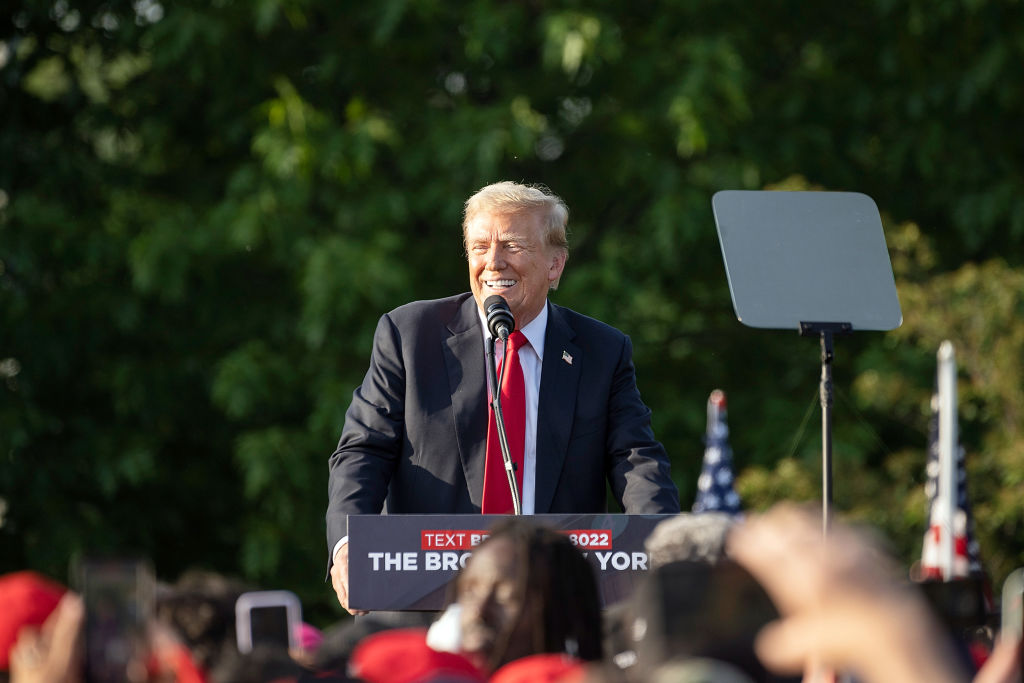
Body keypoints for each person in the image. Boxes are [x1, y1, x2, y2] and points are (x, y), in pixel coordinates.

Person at [326, 181, 679, 613]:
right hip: (424, 599)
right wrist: (348, 545)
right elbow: (364, 451)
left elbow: (636, 459)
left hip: (554, 603)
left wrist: (662, 549)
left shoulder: (601, 350)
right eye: (479, 247)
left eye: (512, 245)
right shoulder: (409, 334)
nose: (492, 262)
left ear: (555, 264)